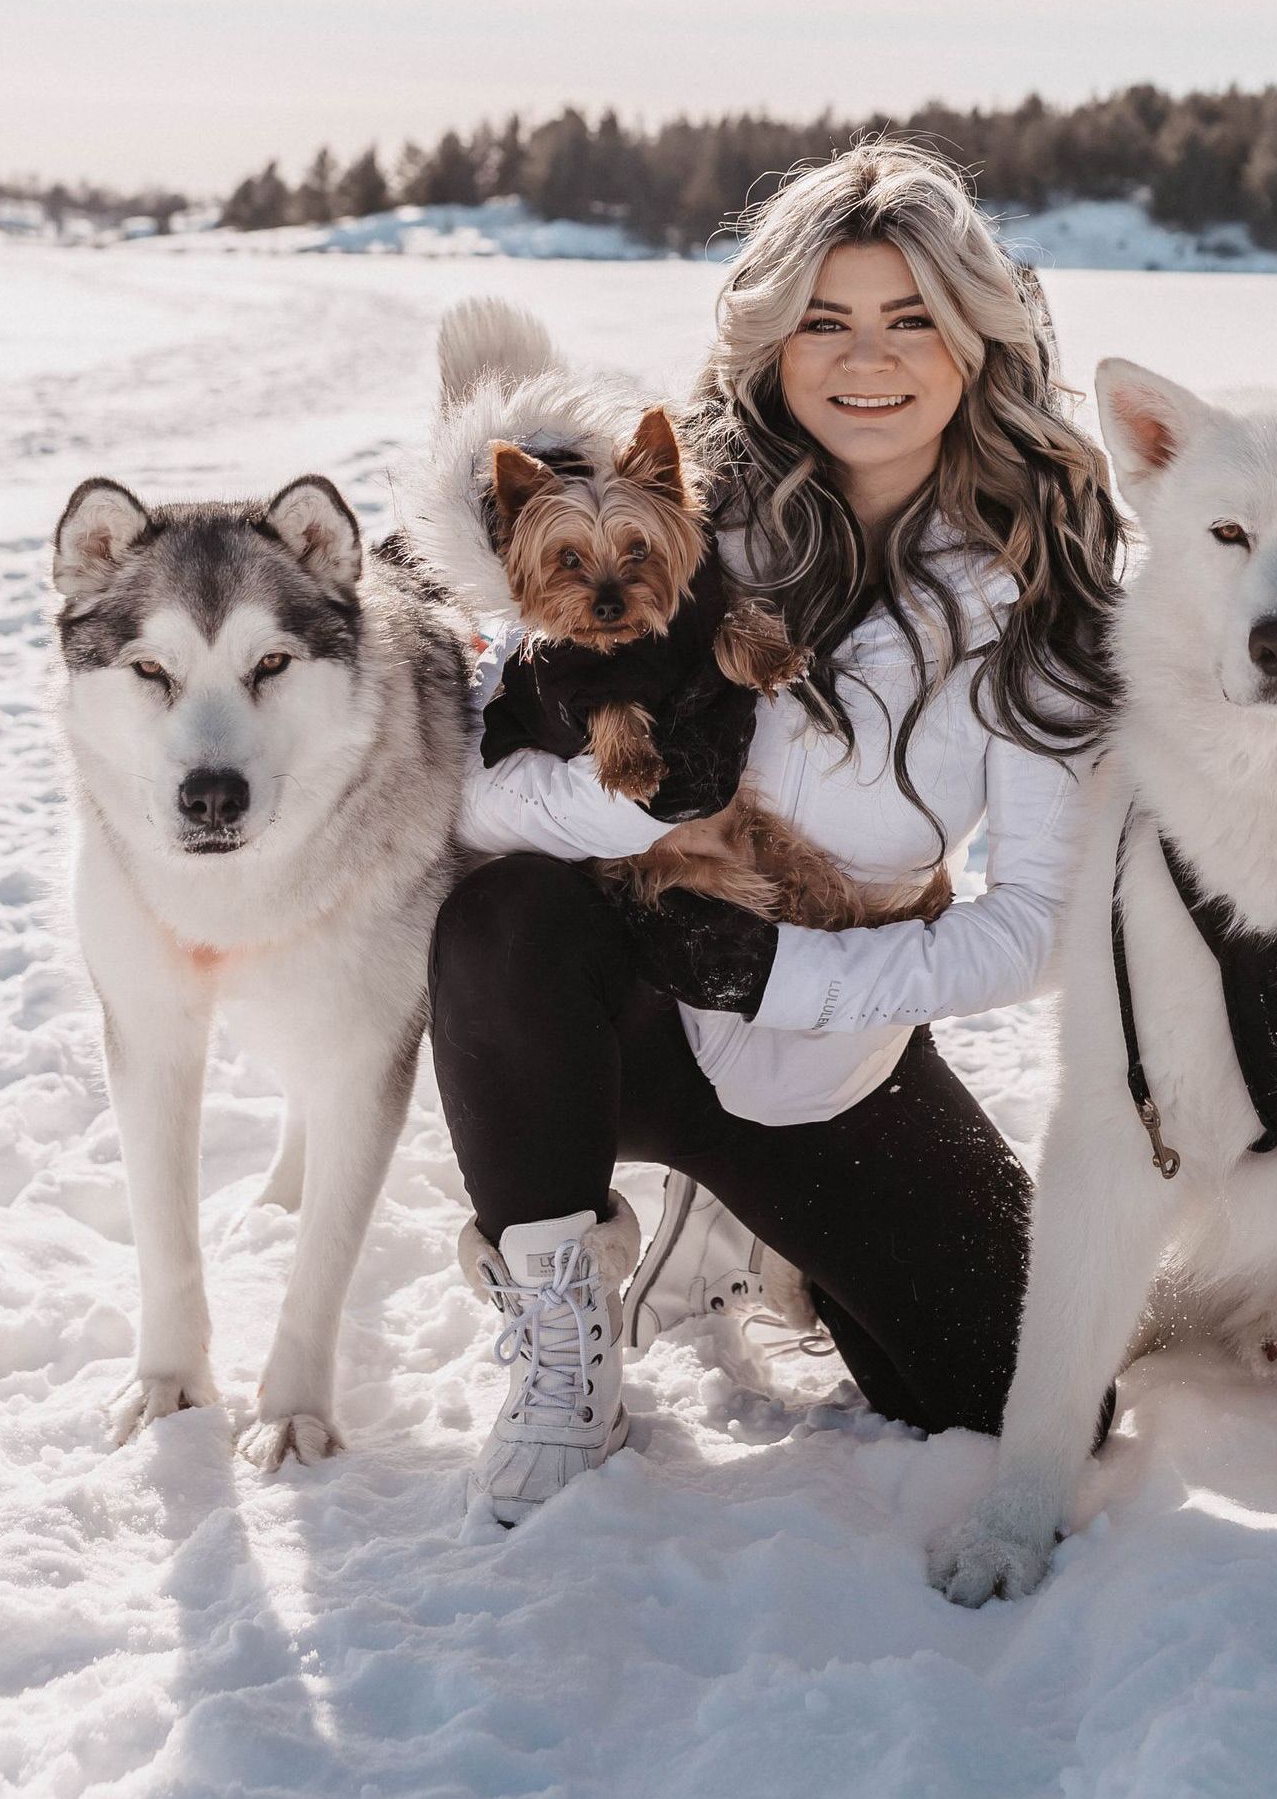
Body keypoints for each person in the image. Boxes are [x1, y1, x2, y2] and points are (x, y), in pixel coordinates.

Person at [428, 138, 1123, 1524]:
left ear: (978, 337)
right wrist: (634, 798)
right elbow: (461, 784)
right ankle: (564, 1322)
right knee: (501, 919)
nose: (868, 359)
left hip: (818, 1058)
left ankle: (741, 1223)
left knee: (1036, 1398)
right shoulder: (668, 506)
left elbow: (1035, 927)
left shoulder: (1035, 592)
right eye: (827, 320)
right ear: (774, 338)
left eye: (911, 317)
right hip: (607, 1016)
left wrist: (777, 974)